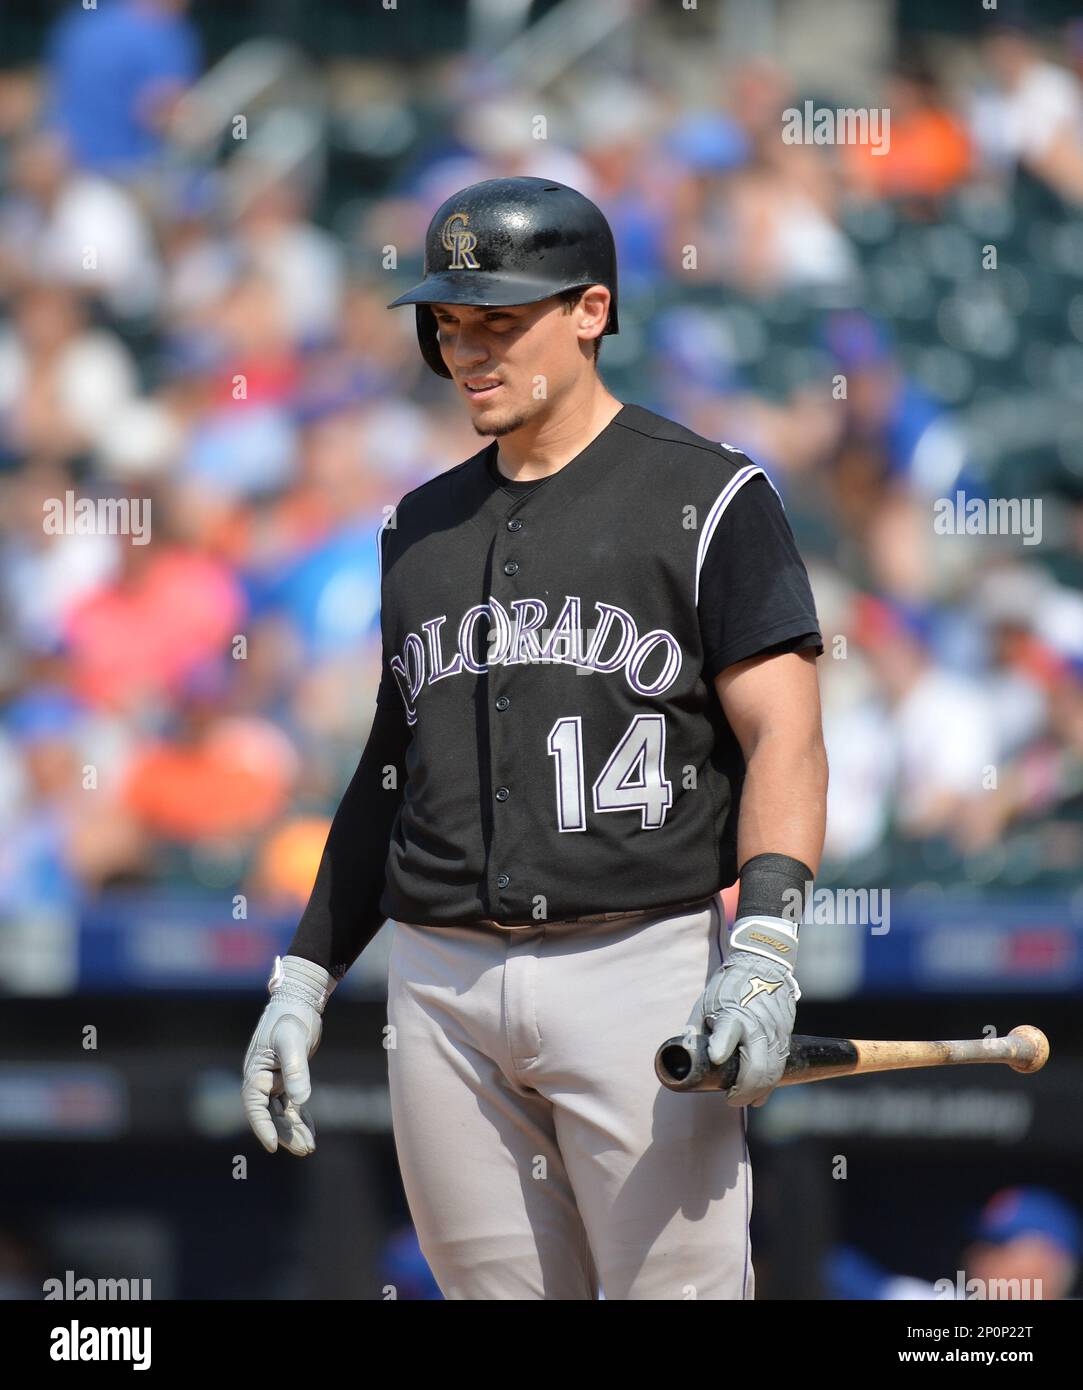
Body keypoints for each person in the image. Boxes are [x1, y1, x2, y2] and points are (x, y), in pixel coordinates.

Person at [242, 176, 828, 1300]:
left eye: (500, 323)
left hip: (639, 965)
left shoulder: (708, 497)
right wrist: (306, 973)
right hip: (441, 978)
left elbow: (787, 741)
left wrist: (763, 948)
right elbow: (390, 765)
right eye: (450, 325)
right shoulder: (417, 525)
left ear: (592, 310)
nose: (469, 351)